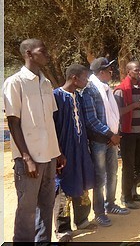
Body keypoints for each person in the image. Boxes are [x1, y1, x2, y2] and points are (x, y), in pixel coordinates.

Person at [3, 38, 66, 242]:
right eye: (43, 50)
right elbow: (13, 122)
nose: (47, 54)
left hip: (48, 156)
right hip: (28, 159)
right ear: (29, 54)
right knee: (27, 210)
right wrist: (26, 157)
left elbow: (49, 122)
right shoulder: (15, 83)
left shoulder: (46, 83)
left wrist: (57, 152)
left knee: (46, 206)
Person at [82, 57, 128, 227]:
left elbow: (113, 115)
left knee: (113, 174)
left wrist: (115, 134)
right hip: (100, 141)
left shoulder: (107, 89)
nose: (111, 72)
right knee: (100, 177)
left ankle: (111, 204)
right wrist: (110, 134)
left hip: (111, 139)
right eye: (109, 70)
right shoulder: (90, 90)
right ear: (101, 72)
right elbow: (91, 119)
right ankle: (99, 212)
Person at [53, 64, 96, 242]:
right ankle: (63, 228)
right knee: (64, 186)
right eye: (85, 77)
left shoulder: (78, 96)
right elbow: (52, 127)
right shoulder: (56, 96)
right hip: (64, 149)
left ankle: (82, 219)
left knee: (82, 181)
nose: (86, 81)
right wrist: (57, 152)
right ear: (74, 78)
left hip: (80, 148)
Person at [114, 61, 140, 209]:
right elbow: (117, 112)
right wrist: (134, 106)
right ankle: (126, 196)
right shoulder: (121, 90)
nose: (139, 72)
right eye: (136, 70)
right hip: (128, 133)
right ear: (128, 71)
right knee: (129, 166)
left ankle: (134, 192)